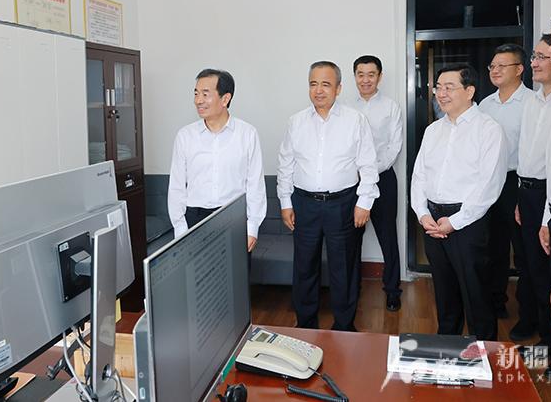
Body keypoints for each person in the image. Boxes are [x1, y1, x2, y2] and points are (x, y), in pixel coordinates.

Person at [277, 61, 379, 331]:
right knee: (304, 268)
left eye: (325, 84)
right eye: (313, 83)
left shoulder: (355, 120)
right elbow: (285, 165)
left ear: (338, 88)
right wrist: (285, 202)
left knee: (343, 270)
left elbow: (368, 166)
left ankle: (344, 328)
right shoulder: (296, 122)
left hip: (343, 205)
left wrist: (364, 203)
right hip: (304, 204)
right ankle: (306, 325)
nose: (319, 90)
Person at [410, 63, 508, 341]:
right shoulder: (433, 130)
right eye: (438, 88)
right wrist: (422, 213)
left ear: (470, 91)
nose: (441, 93)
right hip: (433, 221)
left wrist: (455, 222)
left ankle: (484, 353)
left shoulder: (488, 129)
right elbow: (419, 175)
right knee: (444, 293)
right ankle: (447, 346)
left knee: (476, 294)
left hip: (469, 222)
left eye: (449, 87)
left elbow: (489, 185)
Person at [514, 34, 551, 377]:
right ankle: (547, 341)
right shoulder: (533, 101)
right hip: (528, 192)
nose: (534, 63)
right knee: (533, 268)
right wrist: (522, 196)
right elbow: (526, 151)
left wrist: (546, 209)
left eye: (542, 57)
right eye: (533, 56)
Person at [167, 68, 266, 252]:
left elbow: (255, 185)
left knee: (236, 270)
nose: (198, 101)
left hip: (234, 218)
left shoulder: (247, 134)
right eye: (196, 94)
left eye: (206, 94)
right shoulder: (185, 136)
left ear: (225, 99)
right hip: (195, 219)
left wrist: (252, 228)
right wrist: (180, 229)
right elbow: (176, 187)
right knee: (196, 271)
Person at [478, 43, 535, 331]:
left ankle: (529, 315)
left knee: (523, 251)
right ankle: (495, 300)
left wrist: (522, 193)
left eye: (502, 65)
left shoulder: (532, 103)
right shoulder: (484, 105)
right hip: (489, 181)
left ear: (519, 69)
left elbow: (533, 151)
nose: (495, 70)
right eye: (492, 66)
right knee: (491, 246)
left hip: (517, 181)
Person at [346, 55, 403, 311]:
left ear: (380, 76)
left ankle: (392, 290)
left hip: (383, 178)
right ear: (354, 77)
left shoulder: (391, 107)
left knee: (387, 236)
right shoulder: (345, 107)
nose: (365, 79)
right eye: (360, 74)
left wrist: (369, 172)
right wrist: (355, 173)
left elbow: (394, 147)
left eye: (371, 74)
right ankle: (352, 288)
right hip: (351, 181)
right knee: (350, 239)